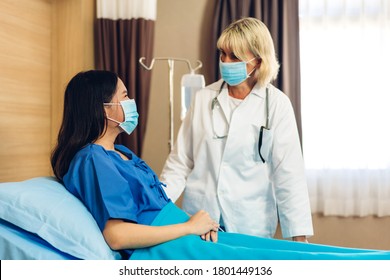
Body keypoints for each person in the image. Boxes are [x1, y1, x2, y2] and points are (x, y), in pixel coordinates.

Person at [50, 69, 390, 260]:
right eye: (125, 96)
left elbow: (288, 175)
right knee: (301, 264)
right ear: (103, 108)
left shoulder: (121, 154)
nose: (131, 101)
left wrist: (198, 224)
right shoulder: (93, 159)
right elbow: (117, 235)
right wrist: (190, 226)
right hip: (168, 247)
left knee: (302, 254)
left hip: (192, 231)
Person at [160, 17, 312, 242]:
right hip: (200, 218)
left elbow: (288, 175)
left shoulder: (277, 105)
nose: (225, 61)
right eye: (223, 53)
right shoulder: (203, 99)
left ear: (258, 61)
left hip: (251, 223)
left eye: (235, 57)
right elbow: (179, 164)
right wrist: (157, 208)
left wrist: (299, 238)